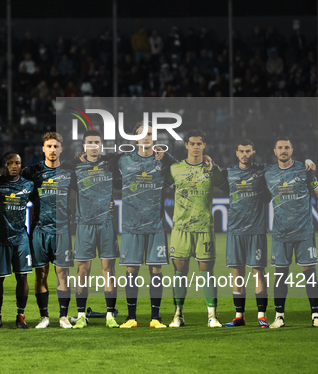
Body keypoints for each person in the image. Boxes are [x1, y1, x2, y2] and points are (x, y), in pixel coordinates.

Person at [220, 139, 316, 328]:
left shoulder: (264, 170)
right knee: (237, 274)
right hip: (235, 230)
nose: (245, 154)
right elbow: (217, 180)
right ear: (236, 153)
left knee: (258, 273)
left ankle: (261, 316)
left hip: (257, 229)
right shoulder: (228, 172)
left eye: (248, 151)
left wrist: (309, 160)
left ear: (253, 152)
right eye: (241, 151)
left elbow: (284, 167)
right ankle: (239, 316)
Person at [265, 136, 318, 329]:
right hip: (280, 233)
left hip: (304, 232)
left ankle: (316, 316)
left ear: (292, 150)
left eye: (287, 147)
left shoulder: (305, 170)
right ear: (274, 151)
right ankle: (279, 317)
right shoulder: (268, 173)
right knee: (280, 275)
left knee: (310, 273)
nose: (283, 150)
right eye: (280, 148)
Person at [117, 122, 177, 329]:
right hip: (132, 226)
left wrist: (166, 155)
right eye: (141, 133)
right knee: (131, 269)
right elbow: (99, 170)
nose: (146, 137)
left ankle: (155, 318)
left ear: (155, 137)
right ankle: (131, 317)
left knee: (156, 270)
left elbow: (183, 167)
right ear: (135, 138)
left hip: (155, 225)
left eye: (150, 133)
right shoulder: (124, 160)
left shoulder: (162, 160)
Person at [166, 130, 227, 328]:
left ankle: (212, 316)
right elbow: (156, 185)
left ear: (204, 145)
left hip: (204, 228)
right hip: (180, 228)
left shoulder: (210, 169)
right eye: (192, 143)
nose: (195, 147)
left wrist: (215, 168)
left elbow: (228, 187)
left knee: (207, 272)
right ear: (186, 145)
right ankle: (178, 315)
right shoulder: (174, 168)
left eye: (199, 143)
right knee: (180, 272)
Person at [23, 132, 76, 329]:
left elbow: (88, 192)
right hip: (39, 229)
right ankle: (44, 316)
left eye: (56, 146)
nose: (53, 150)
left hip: (62, 231)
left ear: (61, 149)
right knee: (41, 275)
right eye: (49, 146)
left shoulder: (70, 171)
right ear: (43, 149)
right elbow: (10, 177)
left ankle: (63, 316)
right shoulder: (33, 171)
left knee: (62, 273)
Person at [71, 130, 121, 329]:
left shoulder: (110, 164)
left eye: (97, 142)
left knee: (109, 270)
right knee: (82, 271)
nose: (93, 145)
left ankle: (110, 315)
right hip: (84, 225)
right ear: (84, 145)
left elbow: (124, 156)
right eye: (89, 142)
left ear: (101, 144)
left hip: (106, 224)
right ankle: (81, 315)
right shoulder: (75, 166)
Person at [0, 152, 35, 329]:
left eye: (18, 163)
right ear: (4, 165)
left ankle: (20, 315)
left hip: (20, 239)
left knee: (22, 278)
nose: (14, 166)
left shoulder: (29, 185)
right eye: (10, 163)